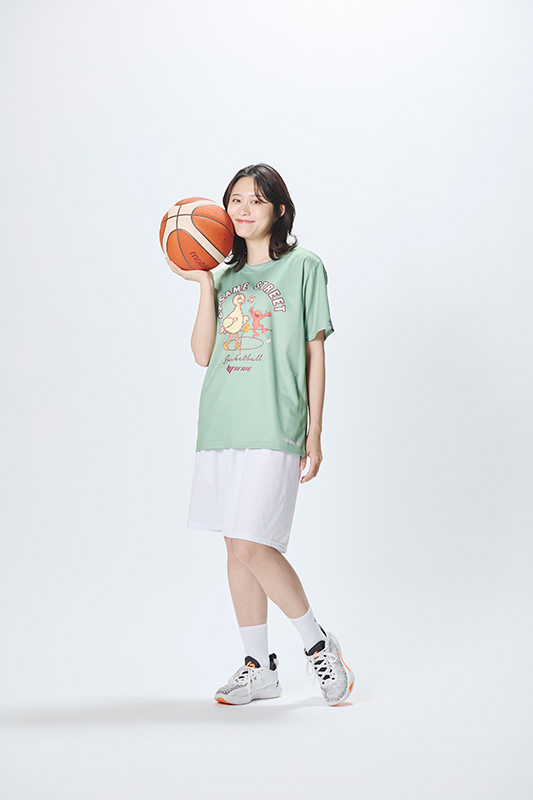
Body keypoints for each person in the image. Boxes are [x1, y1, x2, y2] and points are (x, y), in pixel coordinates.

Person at [165, 163, 354, 706]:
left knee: (254, 543)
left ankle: (318, 644)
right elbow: (203, 354)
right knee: (235, 545)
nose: (243, 210)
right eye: (235, 200)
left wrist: (315, 432)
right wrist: (204, 282)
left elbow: (316, 353)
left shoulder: (303, 267)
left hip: (275, 423)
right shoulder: (222, 278)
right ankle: (258, 667)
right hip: (221, 423)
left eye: (256, 200)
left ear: (279, 209)